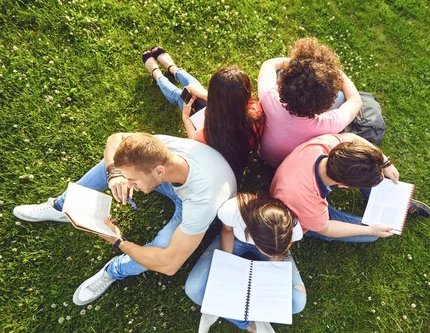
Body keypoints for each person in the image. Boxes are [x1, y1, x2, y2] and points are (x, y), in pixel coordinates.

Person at [13, 133, 237, 305]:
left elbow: (169, 264)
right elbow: (116, 138)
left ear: (158, 171)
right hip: (184, 178)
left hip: (193, 199)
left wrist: (118, 241)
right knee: (114, 163)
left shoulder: (200, 204)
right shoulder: (155, 151)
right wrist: (114, 173)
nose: (129, 185)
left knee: (162, 248)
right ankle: (63, 205)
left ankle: (113, 270)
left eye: (133, 181)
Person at [184, 193, 306, 333]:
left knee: (297, 303)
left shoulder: (292, 227)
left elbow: (277, 252)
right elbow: (227, 231)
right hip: (236, 240)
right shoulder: (232, 210)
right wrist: (227, 263)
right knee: (193, 289)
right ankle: (252, 326)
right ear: (250, 232)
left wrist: (271, 265)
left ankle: (218, 307)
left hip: (274, 248)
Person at [270, 133, 430, 242]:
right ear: (343, 186)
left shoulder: (325, 147)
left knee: (368, 173)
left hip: (296, 179)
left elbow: (349, 136)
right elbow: (326, 228)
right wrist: (370, 231)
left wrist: (384, 161)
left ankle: (394, 203)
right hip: (299, 213)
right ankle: (379, 215)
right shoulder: (309, 205)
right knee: (371, 235)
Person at [142, 47, 263, 178]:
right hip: (226, 131)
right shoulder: (256, 110)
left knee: (180, 97)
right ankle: (173, 69)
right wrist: (200, 93)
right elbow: (231, 103)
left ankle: (157, 74)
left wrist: (185, 117)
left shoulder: (208, 133)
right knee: (195, 90)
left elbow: (193, 140)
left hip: (215, 129)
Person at [257, 38, 363, 168]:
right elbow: (355, 100)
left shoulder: (268, 96)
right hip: (291, 167)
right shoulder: (330, 124)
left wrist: (296, 64)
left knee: (278, 72)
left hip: (264, 155)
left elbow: (269, 64)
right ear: (326, 102)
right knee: (342, 97)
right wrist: (339, 74)